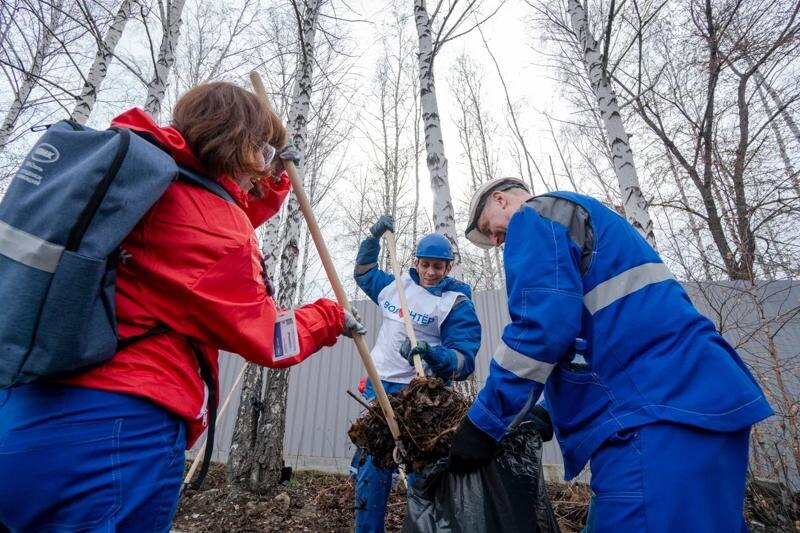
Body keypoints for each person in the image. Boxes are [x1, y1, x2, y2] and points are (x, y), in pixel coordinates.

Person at [0, 82, 365, 532]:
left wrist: (275, 179)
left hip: (28, 414)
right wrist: (330, 317)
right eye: (263, 153)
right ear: (241, 144)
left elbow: (209, 224)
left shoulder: (151, 180)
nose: (265, 166)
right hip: (115, 433)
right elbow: (271, 337)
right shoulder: (210, 225)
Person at [448, 177, 773, 531]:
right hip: (700, 402)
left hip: (650, 418)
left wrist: (484, 423)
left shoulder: (534, 216)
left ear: (501, 200)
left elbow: (541, 330)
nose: (496, 241)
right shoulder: (593, 220)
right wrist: (547, 413)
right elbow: (606, 334)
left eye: (489, 230)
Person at [351, 216, 481, 533]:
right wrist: (372, 239)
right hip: (380, 389)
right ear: (416, 263)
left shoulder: (454, 302)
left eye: (440, 266)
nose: (432, 272)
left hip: (421, 396)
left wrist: (433, 353)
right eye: (426, 265)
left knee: (422, 471)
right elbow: (364, 274)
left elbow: (464, 360)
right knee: (373, 464)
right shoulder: (397, 286)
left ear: (449, 268)